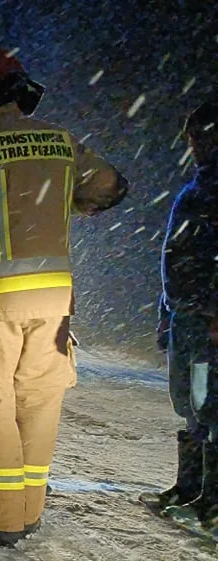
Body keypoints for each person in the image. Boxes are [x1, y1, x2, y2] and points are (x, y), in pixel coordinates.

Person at [0, 46, 128, 546]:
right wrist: (64, 201)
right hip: (55, 302)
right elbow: (111, 187)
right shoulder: (62, 142)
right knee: (39, 401)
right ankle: (28, 509)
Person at [140, 100, 218, 529]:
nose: (194, 145)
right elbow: (176, 258)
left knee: (209, 405)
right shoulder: (200, 185)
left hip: (206, 321)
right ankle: (190, 489)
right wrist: (166, 316)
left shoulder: (211, 188)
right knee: (190, 401)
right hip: (185, 317)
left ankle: (211, 501)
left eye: (199, 136)